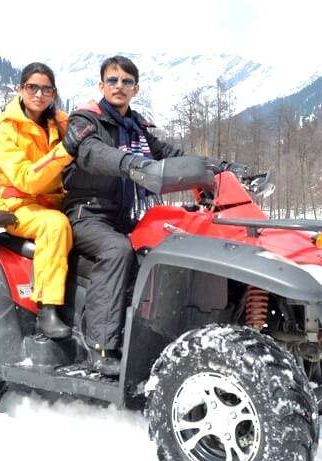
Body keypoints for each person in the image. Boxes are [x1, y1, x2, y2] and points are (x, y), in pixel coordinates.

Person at [60, 56, 192, 375]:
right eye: (113, 80)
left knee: (168, 244)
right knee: (117, 249)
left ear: (136, 88)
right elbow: (90, 152)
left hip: (126, 215)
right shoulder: (84, 120)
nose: (120, 86)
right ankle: (100, 347)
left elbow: (171, 156)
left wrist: (217, 167)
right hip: (86, 214)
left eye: (127, 81)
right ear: (102, 85)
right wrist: (129, 163)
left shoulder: (137, 129)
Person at [0, 62, 90, 339]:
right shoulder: (6, 131)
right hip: (19, 206)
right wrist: (65, 151)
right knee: (54, 226)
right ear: (20, 89)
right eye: (33, 87)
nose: (39, 94)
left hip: (57, 202)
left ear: (53, 93)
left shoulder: (60, 122)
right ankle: (48, 308)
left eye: (46, 89)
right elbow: (27, 178)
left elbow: (85, 130)